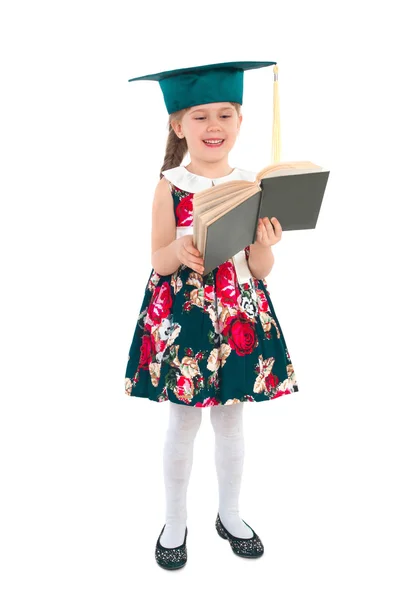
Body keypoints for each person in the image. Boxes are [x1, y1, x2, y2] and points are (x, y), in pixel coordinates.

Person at [124, 61, 299, 569]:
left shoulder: (254, 185)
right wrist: (180, 250)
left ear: (240, 122)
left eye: (225, 114)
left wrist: (266, 245)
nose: (214, 126)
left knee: (231, 421)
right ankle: (175, 520)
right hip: (186, 320)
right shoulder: (170, 186)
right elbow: (157, 259)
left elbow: (260, 270)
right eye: (199, 117)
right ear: (179, 126)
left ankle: (230, 513)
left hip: (240, 320)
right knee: (182, 423)